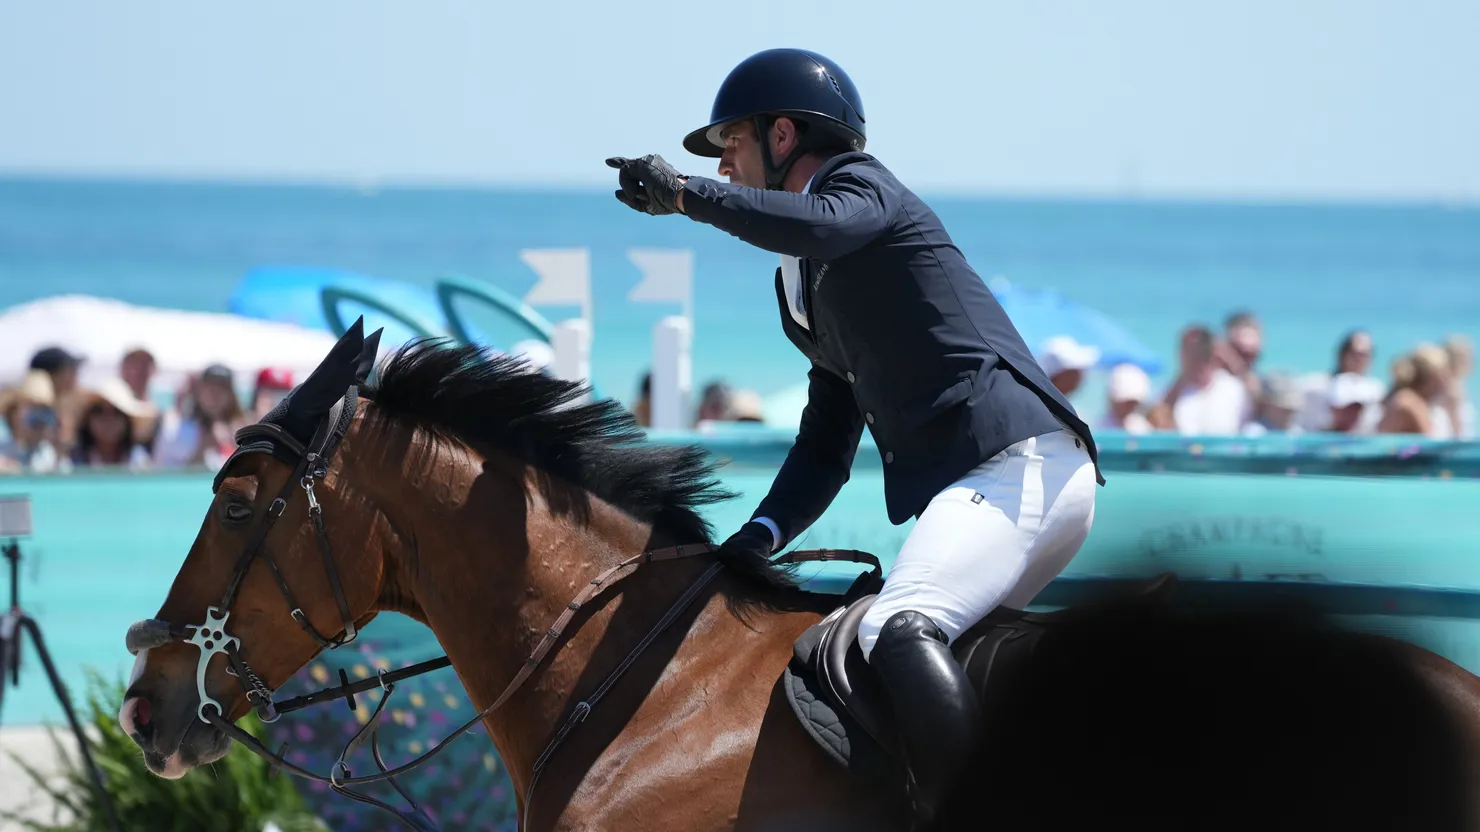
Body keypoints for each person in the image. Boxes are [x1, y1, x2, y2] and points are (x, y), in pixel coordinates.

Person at [606, 47, 1102, 822]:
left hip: (1020, 467)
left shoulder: (861, 190)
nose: (725, 167)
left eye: (730, 146)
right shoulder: (800, 283)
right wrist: (760, 534)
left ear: (782, 136)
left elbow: (824, 223)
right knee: (916, 656)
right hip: (998, 482)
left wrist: (683, 195)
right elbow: (826, 439)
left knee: (896, 628)